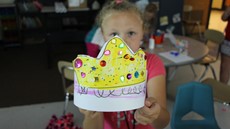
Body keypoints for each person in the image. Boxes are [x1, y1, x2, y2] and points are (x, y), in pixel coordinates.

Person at [79, 0, 170, 129]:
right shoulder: (95, 70)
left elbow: (162, 122)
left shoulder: (151, 63)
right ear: (103, 36)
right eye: (114, 35)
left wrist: (155, 113)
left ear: (142, 33)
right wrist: (91, 114)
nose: (122, 43)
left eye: (131, 33)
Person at [220, 5, 230, 84]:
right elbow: (223, 18)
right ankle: (222, 93)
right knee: (224, 67)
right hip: (228, 41)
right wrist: (227, 12)